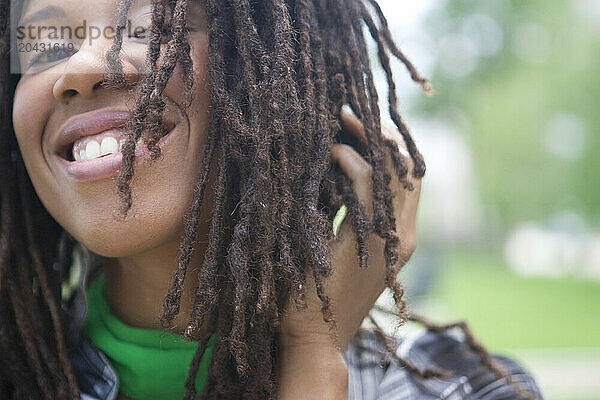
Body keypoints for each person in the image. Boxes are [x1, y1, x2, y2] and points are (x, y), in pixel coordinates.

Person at [0, 0, 544, 399]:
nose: (80, 67)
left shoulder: (469, 390)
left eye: (148, 25)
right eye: (48, 45)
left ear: (278, 66)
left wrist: (314, 351)